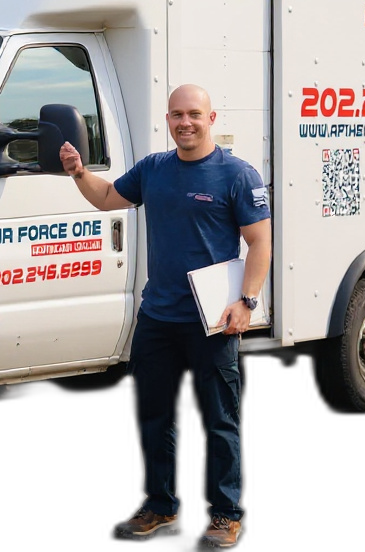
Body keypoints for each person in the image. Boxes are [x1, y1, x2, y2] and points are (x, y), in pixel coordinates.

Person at [59, 83, 271, 551]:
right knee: (154, 416)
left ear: (211, 119)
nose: (185, 122)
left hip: (212, 321)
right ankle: (159, 506)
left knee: (220, 422)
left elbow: (260, 242)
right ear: (169, 119)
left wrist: (247, 301)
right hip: (158, 319)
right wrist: (78, 173)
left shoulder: (236, 175)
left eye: (194, 114)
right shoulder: (155, 169)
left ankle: (225, 517)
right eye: (177, 114)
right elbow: (109, 197)